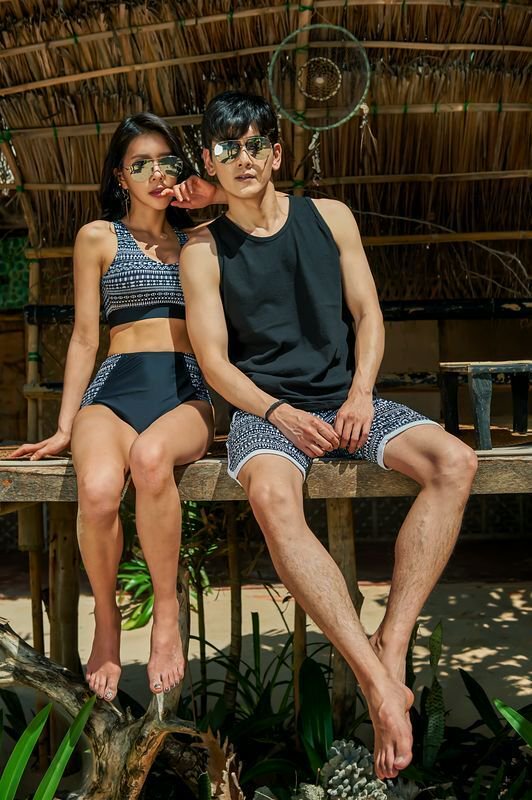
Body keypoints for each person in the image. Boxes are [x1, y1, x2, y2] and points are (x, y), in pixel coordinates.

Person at [179, 91, 478, 781]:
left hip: (349, 401)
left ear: (277, 153)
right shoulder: (202, 249)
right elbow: (215, 363)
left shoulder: (330, 216)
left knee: (455, 462)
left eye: (255, 144)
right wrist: (277, 412)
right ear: (209, 163)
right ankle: (378, 684)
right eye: (227, 149)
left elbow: (368, 314)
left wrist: (362, 391)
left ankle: (391, 642)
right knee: (273, 499)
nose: (243, 159)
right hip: (267, 413)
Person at [13, 113, 221, 702]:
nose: (156, 174)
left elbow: (255, 200)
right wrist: (64, 425)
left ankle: (165, 613)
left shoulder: (202, 239)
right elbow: (84, 337)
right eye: (140, 164)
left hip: (184, 389)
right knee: (100, 490)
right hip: (114, 388)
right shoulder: (98, 237)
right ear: (119, 176)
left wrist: (207, 192)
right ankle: (106, 619)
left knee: (152, 460)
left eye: (166, 162)